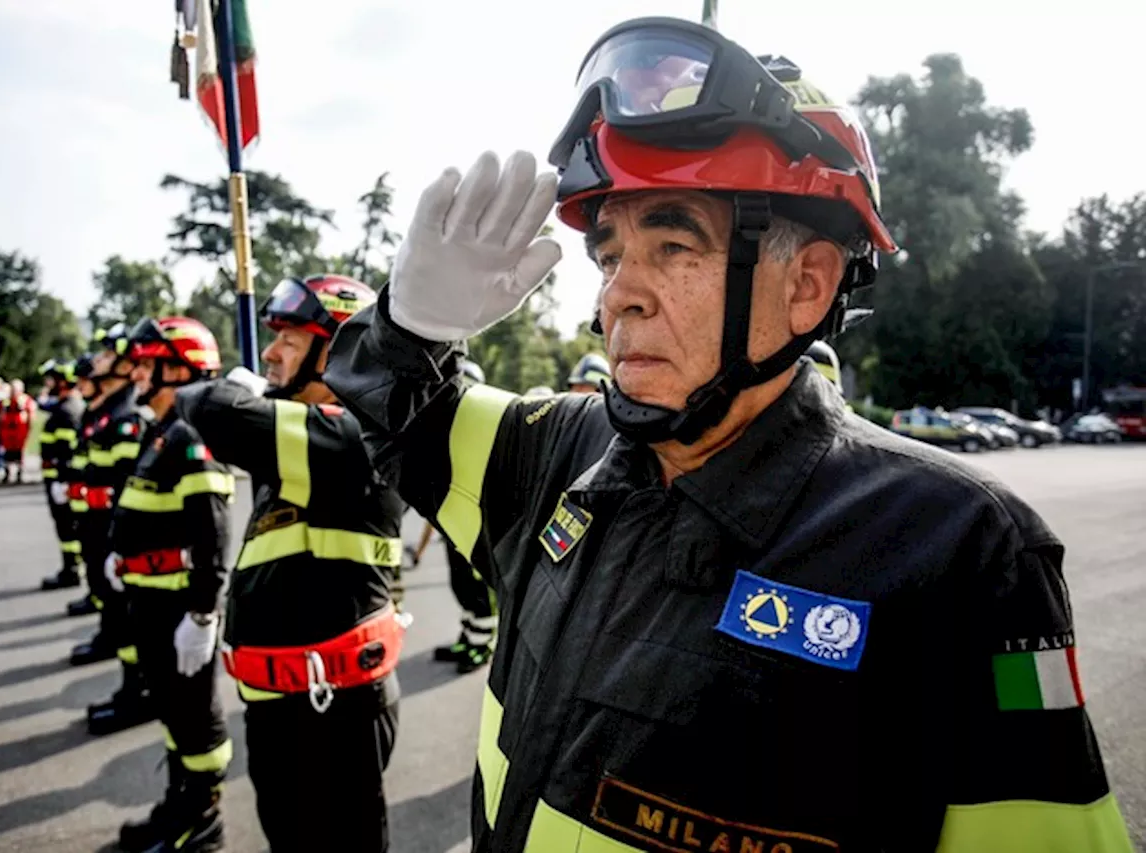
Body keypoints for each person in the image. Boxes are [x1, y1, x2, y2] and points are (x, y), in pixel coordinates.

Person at [325, 18, 1133, 852]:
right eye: (609, 256)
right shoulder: (557, 449)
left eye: (673, 245)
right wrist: (410, 322)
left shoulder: (959, 550)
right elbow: (399, 410)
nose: (617, 299)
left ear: (808, 285)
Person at [175, 274, 406, 853]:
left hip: (331, 713)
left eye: (291, 340)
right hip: (288, 707)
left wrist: (241, 390)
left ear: (339, 352)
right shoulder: (303, 441)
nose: (272, 353)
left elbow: (209, 406)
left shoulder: (353, 437)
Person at [105, 317, 234, 853]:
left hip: (179, 605)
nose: (134, 372)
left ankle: (203, 819)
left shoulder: (192, 433)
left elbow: (212, 533)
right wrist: (122, 553)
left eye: (145, 362)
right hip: (149, 598)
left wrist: (202, 615)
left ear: (180, 368)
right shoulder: (160, 429)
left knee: (194, 714)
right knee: (171, 710)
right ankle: (179, 801)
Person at [68, 325, 155, 736]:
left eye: (106, 355)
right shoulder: (106, 410)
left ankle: (137, 693)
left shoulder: (127, 417)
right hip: (98, 527)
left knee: (129, 621)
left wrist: (119, 547)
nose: (97, 361)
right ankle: (129, 689)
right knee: (118, 618)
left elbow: (127, 493)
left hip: (114, 533)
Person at [409, 359, 498, 673]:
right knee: (461, 585)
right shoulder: (443, 434)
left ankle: (482, 646)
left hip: (478, 529)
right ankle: (468, 637)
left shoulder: (487, 434)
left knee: (479, 591)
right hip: (453, 525)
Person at [38, 360, 87, 591]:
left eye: (51, 380)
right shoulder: (65, 407)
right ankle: (72, 567)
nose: (47, 384)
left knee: (68, 527)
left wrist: (62, 481)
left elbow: (67, 453)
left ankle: (72, 570)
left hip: (61, 480)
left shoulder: (67, 410)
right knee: (65, 527)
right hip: (56, 478)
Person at [0, 378, 35, 484]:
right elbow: (0, 416)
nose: (14, 392)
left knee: (19, 452)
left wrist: (29, 429)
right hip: (7, 430)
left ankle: (19, 472)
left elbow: (30, 415)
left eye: (17, 389)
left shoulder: (26, 400)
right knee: (8, 453)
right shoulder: (5, 401)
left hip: (20, 430)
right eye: (13, 389)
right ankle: (7, 472)